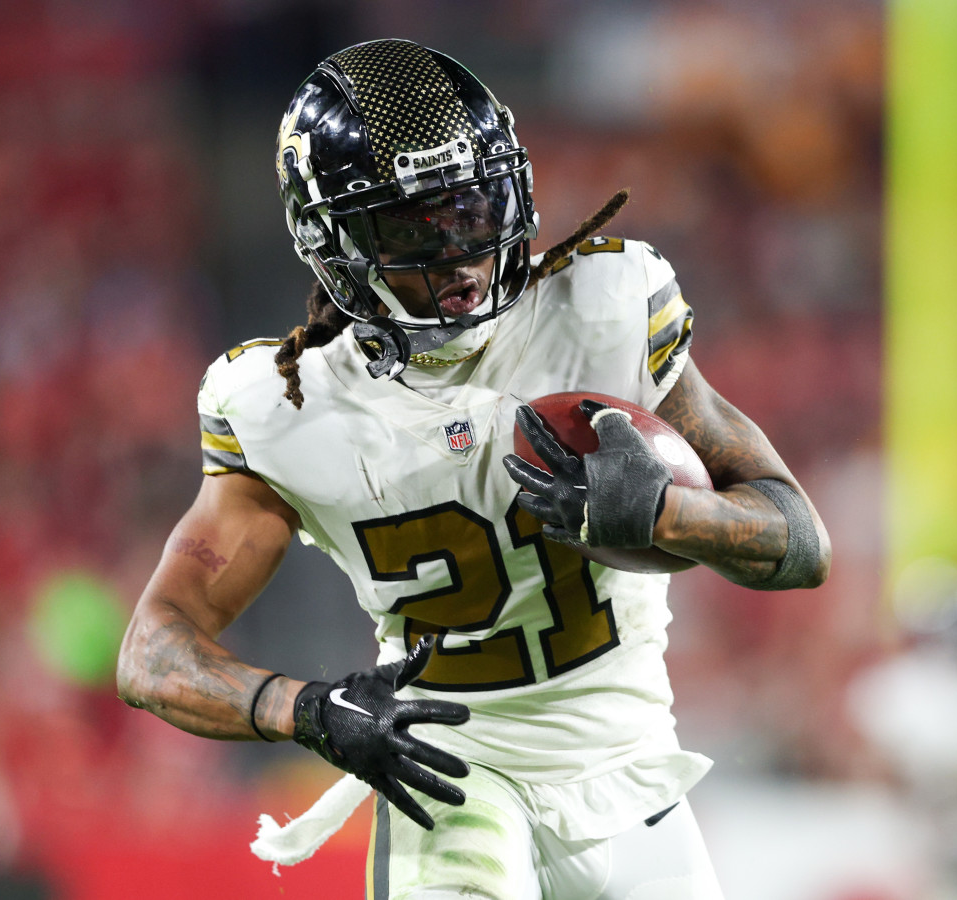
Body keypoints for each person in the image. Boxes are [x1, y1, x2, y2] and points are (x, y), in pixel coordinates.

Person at [116, 37, 831, 899]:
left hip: (626, 764)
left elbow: (799, 539)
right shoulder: (285, 405)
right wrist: (305, 710)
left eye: (472, 206)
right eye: (413, 224)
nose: (460, 250)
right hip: (444, 772)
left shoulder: (602, 312)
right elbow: (152, 652)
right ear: (332, 240)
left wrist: (671, 515)